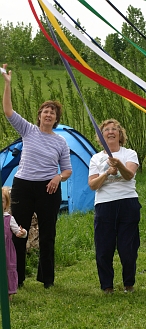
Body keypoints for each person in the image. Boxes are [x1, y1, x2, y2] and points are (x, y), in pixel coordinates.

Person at [1, 64, 72, 289]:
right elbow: (8, 111)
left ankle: (47, 280)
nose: (49, 114)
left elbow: (68, 169)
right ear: (39, 115)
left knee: (48, 234)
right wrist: (8, 84)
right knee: (19, 232)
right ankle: (18, 278)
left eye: (53, 112)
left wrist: (58, 178)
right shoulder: (28, 130)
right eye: (46, 111)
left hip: (49, 190)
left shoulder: (61, 141)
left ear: (56, 119)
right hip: (23, 187)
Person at [88, 119, 141, 294]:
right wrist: (106, 173)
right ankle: (107, 286)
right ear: (101, 136)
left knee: (128, 248)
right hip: (104, 205)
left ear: (120, 135)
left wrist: (119, 165)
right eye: (106, 130)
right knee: (104, 248)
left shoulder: (129, 153)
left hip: (127, 202)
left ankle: (129, 284)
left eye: (114, 129)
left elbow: (129, 175)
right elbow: (93, 185)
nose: (111, 132)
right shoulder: (96, 158)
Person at [2, 187, 27, 300]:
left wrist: (22, 232)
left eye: (1, 201)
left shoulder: (8, 218)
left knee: (7, 271)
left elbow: (18, 231)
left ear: (6, 204)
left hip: (6, 251)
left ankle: (8, 294)